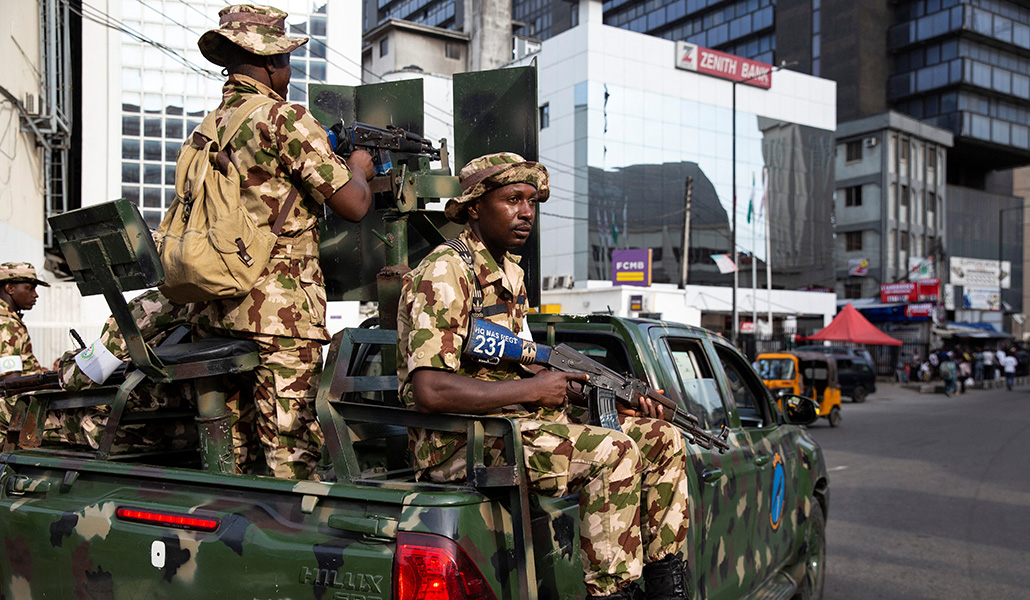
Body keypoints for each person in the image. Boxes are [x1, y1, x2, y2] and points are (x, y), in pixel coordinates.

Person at [397, 153, 691, 600]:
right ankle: (612, 593)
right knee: (614, 452)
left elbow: (525, 362)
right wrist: (535, 389)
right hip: (460, 441)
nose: (526, 212)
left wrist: (606, 395)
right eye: (513, 199)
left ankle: (667, 589)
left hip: (513, 424)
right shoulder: (444, 270)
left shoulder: (510, 273)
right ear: (474, 206)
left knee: (663, 438)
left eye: (532, 201)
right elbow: (430, 389)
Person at [185, 4, 375, 479]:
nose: (288, 73)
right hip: (280, 316)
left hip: (215, 306)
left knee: (231, 457)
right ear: (271, 62)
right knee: (293, 459)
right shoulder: (282, 118)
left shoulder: (208, 128)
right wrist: (359, 169)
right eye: (286, 62)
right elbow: (354, 205)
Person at [0, 262, 48, 381]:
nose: (35, 295)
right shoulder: (8, 324)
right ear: (10, 288)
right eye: (30, 288)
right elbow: (10, 384)